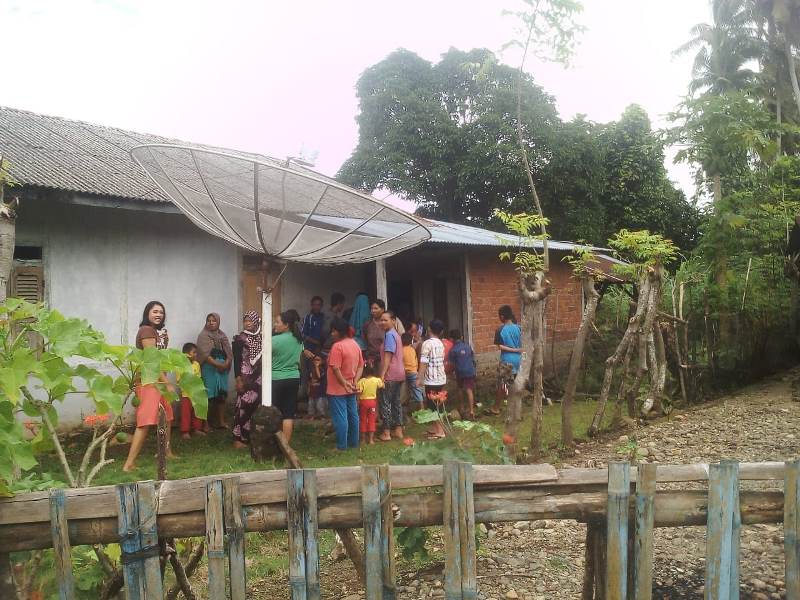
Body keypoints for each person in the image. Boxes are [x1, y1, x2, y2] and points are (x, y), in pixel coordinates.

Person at [123, 301, 175, 472]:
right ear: (147, 313)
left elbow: (160, 356)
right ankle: (129, 463)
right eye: (155, 311)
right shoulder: (146, 330)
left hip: (158, 380)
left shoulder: (157, 332)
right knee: (145, 422)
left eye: (161, 312)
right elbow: (152, 361)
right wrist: (167, 383)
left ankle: (166, 452)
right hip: (149, 382)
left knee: (167, 416)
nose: (158, 314)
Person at [327, 317, 363, 451]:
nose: (332, 333)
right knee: (353, 415)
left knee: (341, 417)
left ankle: (341, 446)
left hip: (337, 388)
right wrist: (354, 381)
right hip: (351, 386)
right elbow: (361, 366)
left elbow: (335, 368)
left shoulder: (337, 346)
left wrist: (343, 383)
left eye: (334, 331)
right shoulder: (355, 344)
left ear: (339, 332)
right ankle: (354, 443)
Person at [232, 310, 263, 449]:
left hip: (258, 378)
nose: (248, 323)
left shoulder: (261, 337)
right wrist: (238, 379)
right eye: (245, 321)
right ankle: (238, 438)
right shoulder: (240, 339)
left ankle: (250, 436)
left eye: (250, 320)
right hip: (245, 377)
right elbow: (237, 360)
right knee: (242, 407)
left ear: (256, 322)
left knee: (255, 407)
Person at [272, 310, 304, 444]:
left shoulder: (274, 340)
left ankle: (273, 442)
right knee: (288, 414)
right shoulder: (298, 339)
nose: (275, 324)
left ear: (286, 325)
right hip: (293, 378)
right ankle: (285, 445)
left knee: (274, 412)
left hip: (276, 379)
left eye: (277, 322)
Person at [196, 313, 232, 430]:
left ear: (218, 322)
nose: (211, 322)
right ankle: (205, 424)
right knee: (208, 395)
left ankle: (221, 421)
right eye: (208, 320)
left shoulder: (222, 335)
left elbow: (228, 352)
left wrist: (226, 363)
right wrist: (218, 364)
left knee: (221, 395)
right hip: (209, 368)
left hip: (222, 369)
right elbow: (204, 355)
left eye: (214, 320)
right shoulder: (203, 336)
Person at [489, 305, 522, 416]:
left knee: (502, 385)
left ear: (502, 316)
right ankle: (515, 409)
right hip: (518, 360)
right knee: (515, 385)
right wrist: (518, 350)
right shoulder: (519, 328)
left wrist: (513, 349)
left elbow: (500, 346)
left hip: (507, 360)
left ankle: (496, 408)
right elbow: (522, 344)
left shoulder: (500, 329)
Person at [417, 319, 447, 440]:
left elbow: (423, 362)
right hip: (440, 377)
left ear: (429, 329)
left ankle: (440, 431)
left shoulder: (427, 343)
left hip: (431, 379)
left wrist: (419, 378)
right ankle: (436, 428)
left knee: (433, 406)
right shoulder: (440, 343)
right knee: (437, 404)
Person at [378, 311, 406, 441]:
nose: (382, 322)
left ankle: (386, 432)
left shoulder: (389, 335)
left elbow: (388, 356)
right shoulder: (397, 335)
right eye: (381, 320)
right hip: (400, 373)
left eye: (385, 320)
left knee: (385, 403)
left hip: (391, 373)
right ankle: (398, 430)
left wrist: (382, 375)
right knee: (396, 403)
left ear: (394, 321)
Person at [302, 296, 327, 418]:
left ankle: (321, 406)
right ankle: (310, 402)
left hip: (320, 350)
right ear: (311, 305)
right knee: (310, 375)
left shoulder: (323, 318)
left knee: (321, 374)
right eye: (315, 304)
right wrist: (314, 342)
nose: (317, 307)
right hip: (310, 350)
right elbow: (303, 334)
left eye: (319, 304)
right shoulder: (308, 317)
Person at [179, 342, 206, 439]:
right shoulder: (181, 365)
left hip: (196, 393)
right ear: (186, 354)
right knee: (186, 412)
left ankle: (197, 429)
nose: (196, 355)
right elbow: (180, 380)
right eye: (194, 352)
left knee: (197, 411)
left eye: (196, 353)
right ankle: (185, 431)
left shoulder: (197, 364)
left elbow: (199, 377)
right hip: (186, 394)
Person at [448, 329, 477, 420]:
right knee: (469, 390)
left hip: (460, 372)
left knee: (460, 389)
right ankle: (472, 411)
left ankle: (461, 407)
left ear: (451, 339)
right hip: (470, 371)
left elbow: (451, 363)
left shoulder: (452, 350)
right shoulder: (467, 346)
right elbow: (472, 358)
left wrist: (451, 373)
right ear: (461, 337)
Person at [357, 364, 383, 445]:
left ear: (364, 373)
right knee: (372, 420)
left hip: (363, 402)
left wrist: (357, 400)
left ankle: (363, 440)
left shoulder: (361, 381)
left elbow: (359, 391)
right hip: (372, 402)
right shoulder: (376, 380)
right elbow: (382, 386)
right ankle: (371, 440)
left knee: (363, 420)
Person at [402, 332, 424, 413]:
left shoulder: (401, 350)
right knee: (417, 390)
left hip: (405, 372)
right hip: (414, 372)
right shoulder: (412, 349)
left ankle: (406, 408)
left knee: (405, 390)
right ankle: (421, 408)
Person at [363, 299, 386, 368]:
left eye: (376, 308)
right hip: (371, 360)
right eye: (372, 308)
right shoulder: (367, 324)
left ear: (382, 310)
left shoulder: (387, 323)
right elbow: (365, 340)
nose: (373, 311)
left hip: (385, 359)